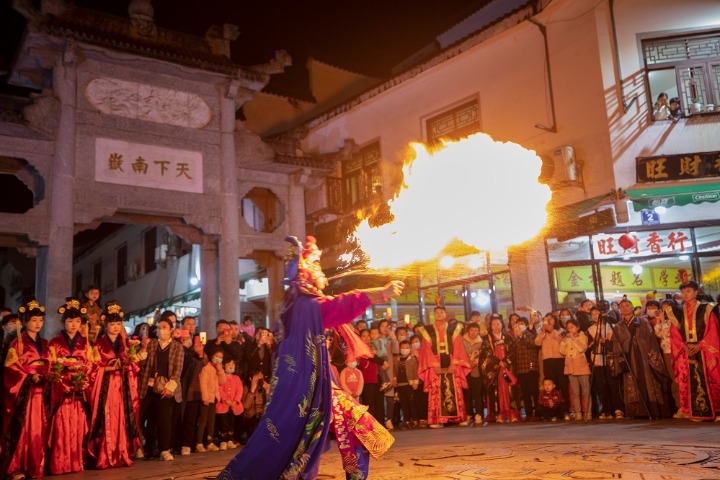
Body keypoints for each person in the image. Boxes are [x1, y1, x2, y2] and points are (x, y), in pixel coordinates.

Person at [218, 236, 404, 480]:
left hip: (319, 388)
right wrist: (379, 293)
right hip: (310, 391)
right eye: (315, 263)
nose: (320, 269)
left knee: (357, 427)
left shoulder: (298, 304)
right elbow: (338, 306)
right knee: (351, 427)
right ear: (305, 273)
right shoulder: (305, 306)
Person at [86, 302, 142, 469]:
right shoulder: (98, 344)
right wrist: (110, 367)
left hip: (123, 386)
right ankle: (106, 454)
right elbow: (93, 368)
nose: (116, 327)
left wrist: (131, 363)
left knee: (122, 418)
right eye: (112, 324)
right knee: (107, 418)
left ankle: (121, 453)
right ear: (105, 325)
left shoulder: (126, 343)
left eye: (118, 324)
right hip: (107, 386)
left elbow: (135, 367)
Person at [2, 299, 51, 480]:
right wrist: (30, 377)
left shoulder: (45, 343)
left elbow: (50, 364)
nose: (38, 324)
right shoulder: (17, 344)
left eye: (40, 320)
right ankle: (17, 466)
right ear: (25, 322)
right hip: (25, 394)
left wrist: (49, 375)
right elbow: (11, 368)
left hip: (40, 393)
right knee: (23, 429)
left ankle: (35, 465)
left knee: (38, 429)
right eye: (33, 320)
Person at [47, 298, 93, 474]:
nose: (74, 325)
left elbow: (90, 365)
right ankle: (59, 464)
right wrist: (64, 382)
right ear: (63, 322)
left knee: (77, 428)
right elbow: (52, 367)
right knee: (60, 428)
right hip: (62, 391)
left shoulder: (86, 343)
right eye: (70, 321)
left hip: (79, 391)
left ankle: (75, 462)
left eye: (77, 321)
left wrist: (82, 381)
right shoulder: (54, 343)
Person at [663, 281, 720, 421]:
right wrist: (683, 346)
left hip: (704, 349)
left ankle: (717, 410)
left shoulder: (706, 309)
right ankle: (692, 410)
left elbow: (713, 330)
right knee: (687, 380)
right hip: (686, 349)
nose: (685, 294)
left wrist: (701, 344)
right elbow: (674, 332)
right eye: (683, 292)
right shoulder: (677, 311)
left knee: (712, 378)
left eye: (689, 291)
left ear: (696, 292)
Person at [611, 299, 672, 419]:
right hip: (629, 358)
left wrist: (651, 356)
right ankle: (636, 412)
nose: (624, 308)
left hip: (644, 356)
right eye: (622, 306)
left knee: (647, 381)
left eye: (627, 305)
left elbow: (651, 340)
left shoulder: (643, 322)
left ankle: (652, 410)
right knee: (631, 382)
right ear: (619, 310)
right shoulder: (618, 327)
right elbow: (615, 345)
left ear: (632, 307)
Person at [137, 315, 185, 461]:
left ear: (171, 330)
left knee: (165, 419)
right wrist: (143, 347)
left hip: (166, 388)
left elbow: (177, 369)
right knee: (144, 418)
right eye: (159, 327)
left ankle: (164, 449)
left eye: (165, 328)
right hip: (148, 386)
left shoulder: (177, 346)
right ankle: (145, 448)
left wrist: (170, 387)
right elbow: (141, 363)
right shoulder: (151, 344)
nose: (161, 330)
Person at [417, 306, 470, 428]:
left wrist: (454, 363)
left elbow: (458, 346)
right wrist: (434, 365)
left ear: (446, 314)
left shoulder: (453, 329)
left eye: (441, 312)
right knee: (436, 390)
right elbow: (426, 349)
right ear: (433, 315)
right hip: (435, 362)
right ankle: (437, 419)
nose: (439, 314)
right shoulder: (428, 330)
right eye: (436, 312)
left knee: (455, 390)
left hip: (451, 361)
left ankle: (460, 418)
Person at [480, 315, 522, 423]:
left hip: (506, 370)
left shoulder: (508, 337)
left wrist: (506, 362)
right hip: (495, 371)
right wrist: (498, 362)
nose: (496, 326)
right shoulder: (487, 340)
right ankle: (499, 414)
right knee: (497, 390)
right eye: (493, 324)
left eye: (498, 324)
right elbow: (486, 354)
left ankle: (512, 413)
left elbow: (513, 352)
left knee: (509, 389)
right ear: (490, 326)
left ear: (502, 324)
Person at [535, 313, 569, 415]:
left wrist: (552, 331)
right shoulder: (542, 332)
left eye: (551, 319)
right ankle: (552, 410)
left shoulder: (562, 331)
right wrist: (543, 332)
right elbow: (537, 343)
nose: (549, 321)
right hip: (548, 361)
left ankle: (565, 409)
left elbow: (562, 340)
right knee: (550, 385)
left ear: (555, 320)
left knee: (562, 385)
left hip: (559, 360)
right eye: (547, 319)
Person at [560, 319, 591, 421]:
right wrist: (564, 342)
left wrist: (573, 339)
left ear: (577, 327)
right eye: (568, 328)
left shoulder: (583, 337)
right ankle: (578, 412)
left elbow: (582, 349)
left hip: (581, 366)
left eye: (572, 327)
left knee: (586, 391)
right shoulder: (567, 339)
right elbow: (562, 351)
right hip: (571, 367)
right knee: (575, 393)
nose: (570, 329)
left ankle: (587, 412)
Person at [197, 350, 226, 452]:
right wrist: (205, 397)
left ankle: (209, 442)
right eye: (217, 356)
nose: (218, 358)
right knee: (203, 421)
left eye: (221, 357)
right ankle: (199, 443)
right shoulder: (206, 368)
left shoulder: (217, 369)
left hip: (213, 398)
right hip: (206, 398)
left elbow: (222, 382)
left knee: (211, 421)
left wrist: (220, 371)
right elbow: (203, 383)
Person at [513, 317, 540, 420]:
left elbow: (533, 343)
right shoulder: (515, 337)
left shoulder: (531, 333)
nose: (520, 325)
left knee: (535, 392)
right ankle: (528, 413)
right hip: (521, 368)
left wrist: (522, 334)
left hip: (531, 367)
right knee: (525, 393)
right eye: (518, 323)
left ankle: (538, 411)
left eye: (522, 323)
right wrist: (518, 335)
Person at [216, 357, 243, 450]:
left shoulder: (237, 378)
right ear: (224, 365)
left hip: (233, 405)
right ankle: (223, 440)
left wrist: (236, 400)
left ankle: (230, 440)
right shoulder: (221, 377)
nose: (231, 366)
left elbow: (239, 390)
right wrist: (225, 399)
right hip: (223, 404)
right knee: (223, 423)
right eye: (228, 364)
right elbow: (219, 388)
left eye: (232, 364)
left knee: (231, 422)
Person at [461, 322, 484, 424]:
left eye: (476, 330)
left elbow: (483, 355)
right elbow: (459, 354)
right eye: (471, 330)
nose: (473, 333)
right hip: (464, 371)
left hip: (476, 371)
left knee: (477, 394)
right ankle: (468, 414)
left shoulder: (481, 342)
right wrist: (467, 363)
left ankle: (479, 413)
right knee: (466, 394)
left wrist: (476, 362)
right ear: (468, 331)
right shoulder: (462, 341)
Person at [392, 339, 418, 429]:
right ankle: (406, 420)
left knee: (412, 403)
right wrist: (394, 380)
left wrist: (415, 382)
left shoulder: (412, 359)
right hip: (400, 385)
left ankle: (414, 419)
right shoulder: (397, 360)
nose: (405, 349)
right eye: (402, 348)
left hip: (409, 384)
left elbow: (415, 371)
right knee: (403, 404)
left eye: (407, 348)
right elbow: (395, 371)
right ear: (399, 349)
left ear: (410, 348)